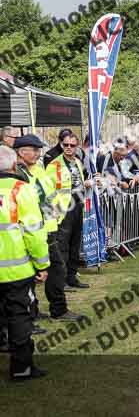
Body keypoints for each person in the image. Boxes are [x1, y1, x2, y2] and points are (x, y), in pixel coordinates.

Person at [0, 145, 50, 381]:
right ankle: (21, 368)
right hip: (16, 271)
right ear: (13, 165)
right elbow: (34, 233)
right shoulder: (22, 190)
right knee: (19, 317)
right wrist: (42, 265)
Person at [45, 132, 95, 291]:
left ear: (77, 146)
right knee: (62, 246)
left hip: (78, 206)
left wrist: (86, 184)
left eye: (72, 145)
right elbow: (48, 190)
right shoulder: (54, 165)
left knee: (75, 244)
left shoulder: (78, 162)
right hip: (63, 210)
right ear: (61, 145)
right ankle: (62, 280)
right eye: (65, 145)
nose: (68, 148)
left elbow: (79, 182)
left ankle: (72, 277)